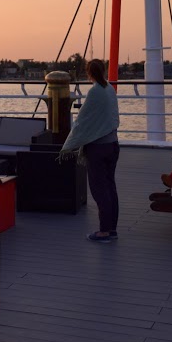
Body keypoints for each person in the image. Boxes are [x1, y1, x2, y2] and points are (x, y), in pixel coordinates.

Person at [60, 59, 120, 243]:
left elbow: (83, 121)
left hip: (98, 148)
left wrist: (69, 144)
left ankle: (103, 231)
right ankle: (112, 229)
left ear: (89, 73)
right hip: (113, 145)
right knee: (110, 186)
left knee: (99, 189)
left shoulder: (95, 92)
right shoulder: (110, 89)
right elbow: (109, 116)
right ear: (104, 70)